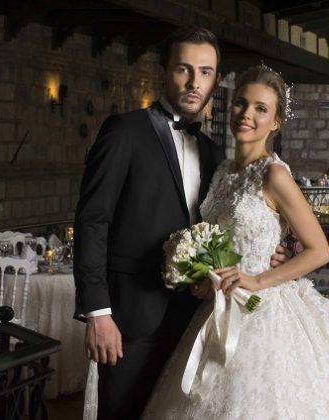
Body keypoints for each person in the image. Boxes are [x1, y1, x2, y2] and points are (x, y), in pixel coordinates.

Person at [141, 65, 329, 419]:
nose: (246, 114)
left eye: (260, 108)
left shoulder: (274, 174)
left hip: (265, 311)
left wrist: (256, 279)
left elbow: (319, 250)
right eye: (241, 103)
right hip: (218, 309)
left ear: (275, 122)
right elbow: (220, 242)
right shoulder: (222, 172)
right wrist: (205, 277)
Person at [73, 28, 288, 420]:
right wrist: (98, 313)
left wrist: (267, 252)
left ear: (215, 81)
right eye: (183, 69)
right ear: (164, 72)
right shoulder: (124, 131)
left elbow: (227, 225)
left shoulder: (215, 155)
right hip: (130, 319)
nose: (194, 82)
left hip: (196, 317)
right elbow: (92, 222)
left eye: (205, 72)